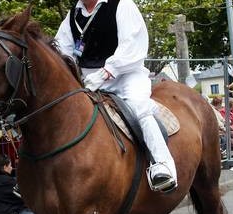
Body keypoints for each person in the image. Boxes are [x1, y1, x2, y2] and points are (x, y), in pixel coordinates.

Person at [55, 0, 177, 192]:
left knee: (139, 107)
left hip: (125, 75)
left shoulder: (122, 5)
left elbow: (131, 46)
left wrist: (105, 74)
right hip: (88, 80)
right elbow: (62, 52)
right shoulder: (72, 16)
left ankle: (163, 165)